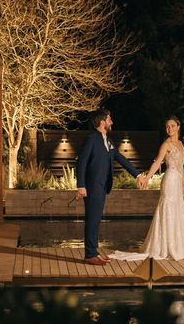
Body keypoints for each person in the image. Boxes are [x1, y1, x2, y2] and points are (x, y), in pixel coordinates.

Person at [109, 116, 184, 261]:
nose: (170, 129)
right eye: (167, 126)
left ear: (178, 127)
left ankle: (178, 247)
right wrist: (147, 178)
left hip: (177, 181)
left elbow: (181, 166)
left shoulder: (180, 143)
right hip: (169, 180)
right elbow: (157, 163)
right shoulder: (166, 144)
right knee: (167, 209)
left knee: (177, 210)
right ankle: (164, 247)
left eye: (172, 126)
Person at [76, 108, 145, 266]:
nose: (111, 121)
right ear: (102, 122)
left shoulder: (107, 140)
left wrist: (138, 175)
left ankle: (93, 251)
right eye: (109, 119)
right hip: (92, 187)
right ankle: (89, 255)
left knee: (96, 220)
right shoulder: (92, 139)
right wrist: (81, 185)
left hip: (102, 187)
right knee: (92, 220)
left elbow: (120, 158)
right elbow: (81, 162)